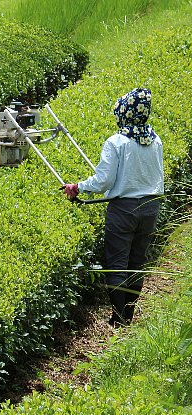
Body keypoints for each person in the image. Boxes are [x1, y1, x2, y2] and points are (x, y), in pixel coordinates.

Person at [64, 87, 164, 327]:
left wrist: (78, 186)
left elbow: (104, 182)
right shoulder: (155, 139)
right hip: (151, 207)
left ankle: (118, 319)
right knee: (136, 262)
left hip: (124, 209)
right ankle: (128, 315)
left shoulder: (116, 142)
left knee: (116, 264)